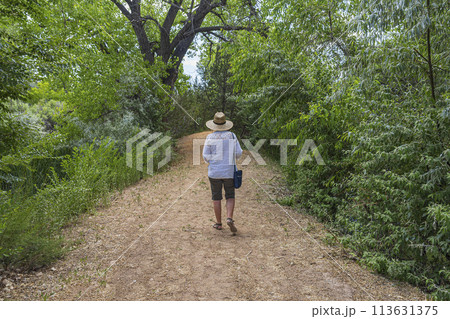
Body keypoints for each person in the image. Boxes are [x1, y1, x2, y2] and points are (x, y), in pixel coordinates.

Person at [203, 112, 243, 234]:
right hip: (229, 172)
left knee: (216, 197)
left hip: (214, 172)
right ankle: (229, 218)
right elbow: (238, 153)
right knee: (230, 195)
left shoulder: (210, 137)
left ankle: (219, 223)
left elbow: (205, 156)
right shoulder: (231, 136)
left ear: (214, 124)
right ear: (225, 123)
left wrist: (214, 160)